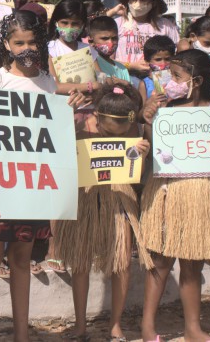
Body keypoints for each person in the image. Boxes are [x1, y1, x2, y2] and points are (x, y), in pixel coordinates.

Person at [0, 11, 56, 342]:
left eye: (32, 42)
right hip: (0, 180)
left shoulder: (49, 83)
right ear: (7, 45)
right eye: (19, 42)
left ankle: (21, 334)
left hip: (34, 182)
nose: (26, 48)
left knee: (22, 257)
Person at [139, 49, 210, 342]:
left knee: (192, 262)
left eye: (176, 76)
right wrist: (149, 120)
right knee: (160, 261)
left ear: (197, 80)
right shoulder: (166, 110)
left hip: (201, 192)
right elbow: (156, 152)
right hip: (167, 190)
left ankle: (192, 329)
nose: (169, 80)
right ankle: (147, 327)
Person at [56, 83, 152, 341]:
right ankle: (80, 325)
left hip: (120, 200)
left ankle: (115, 324)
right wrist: (67, 119)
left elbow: (136, 173)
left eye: (123, 128)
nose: (118, 132)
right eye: (110, 127)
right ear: (97, 116)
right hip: (85, 200)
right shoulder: (79, 131)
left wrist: (140, 154)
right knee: (80, 263)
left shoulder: (136, 132)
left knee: (121, 264)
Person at [112, 0, 179, 81]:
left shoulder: (166, 26)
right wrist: (131, 66)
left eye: (143, 0)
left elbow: (177, 55)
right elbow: (108, 59)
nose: (137, 3)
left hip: (161, 79)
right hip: (125, 79)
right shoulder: (117, 24)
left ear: (153, 3)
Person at [88, 16, 130, 82]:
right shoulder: (89, 63)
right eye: (105, 39)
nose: (110, 42)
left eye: (114, 38)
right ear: (91, 42)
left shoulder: (122, 68)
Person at [138, 35, 176, 102]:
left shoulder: (177, 80)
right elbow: (141, 110)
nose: (163, 63)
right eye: (158, 60)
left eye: (167, 59)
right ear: (147, 61)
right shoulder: (144, 84)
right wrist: (150, 101)